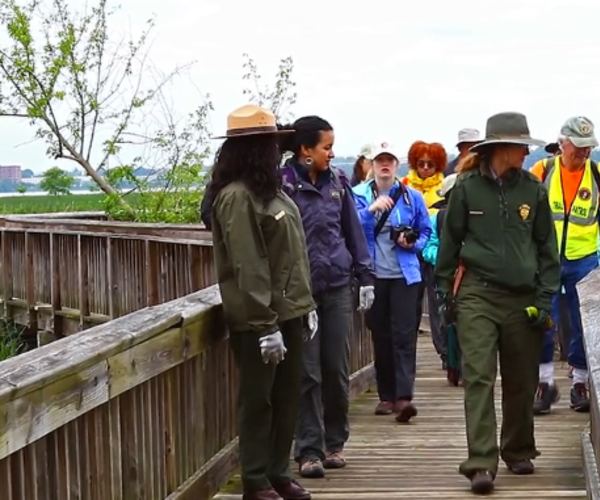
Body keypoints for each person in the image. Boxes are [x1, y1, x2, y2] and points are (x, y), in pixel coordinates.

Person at [436, 112, 560, 495]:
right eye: (521, 146)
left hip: (523, 297)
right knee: (478, 376)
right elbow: (449, 243)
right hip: (478, 292)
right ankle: (481, 463)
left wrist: (544, 299)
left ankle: (519, 449)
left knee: (521, 377)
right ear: (501, 148)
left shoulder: (533, 190)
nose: (526, 151)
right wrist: (446, 296)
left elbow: (547, 250)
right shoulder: (466, 189)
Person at [209, 104, 317, 500]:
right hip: (259, 321)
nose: (279, 152)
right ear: (255, 149)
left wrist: (306, 308)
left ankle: (277, 471)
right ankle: (254, 479)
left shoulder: (275, 194)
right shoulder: (236, 197)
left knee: (288, 396)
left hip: (290, 312)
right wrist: (264, 323)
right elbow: (248, 264)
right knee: (259, 401)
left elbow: (294, 255)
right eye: (272, 145)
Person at [276, 116, 376, 478]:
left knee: (336, 369)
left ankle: (336, 443)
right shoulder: (282, 185)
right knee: (308, 374)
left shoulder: (338, 183)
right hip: (300, 294)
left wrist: (366, 275)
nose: (331, 154)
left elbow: (352, 230)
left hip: (336, 288)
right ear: (305, 149)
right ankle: (309, 450)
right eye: (326, 147)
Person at [352, 142, 432, 421]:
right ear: (371, 165)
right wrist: (370, 210)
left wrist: (412, 242)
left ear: (397, 165)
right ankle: (385, 395)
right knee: (381, 335)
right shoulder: (358, 196)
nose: (384, 165)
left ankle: (403, 397)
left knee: (404, 335)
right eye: (379, 160)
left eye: (389, 160)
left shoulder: (412, 197)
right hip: (373, 276)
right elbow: (346, 227)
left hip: (404, 276)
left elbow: (427, 233)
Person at [529, 116, 600, 415]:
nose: (583, 153)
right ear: (563, 144)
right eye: (579, 147)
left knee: (584, 325)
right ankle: (544, 383)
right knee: (543, 320)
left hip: (584, 260)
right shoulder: (542, 171)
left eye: (588, 147)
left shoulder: (596, 174)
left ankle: (580, 382)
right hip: (545, 260)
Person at [403, 141, 448, 365]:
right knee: (410, 305)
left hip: (432, 252)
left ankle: (445, 352)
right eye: (421, 163)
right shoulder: (403, 185)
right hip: (408, 252)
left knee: (437, 304)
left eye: (431, 164)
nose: (426, 168)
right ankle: (407, 352)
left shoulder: (445, 186)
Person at [422, 173, 461, 385]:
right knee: (443, 321)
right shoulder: (436, 219)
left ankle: (461, 364)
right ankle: (449, 359)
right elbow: (427, 247)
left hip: (467, 276)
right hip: (443, 277)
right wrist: (447, 259)